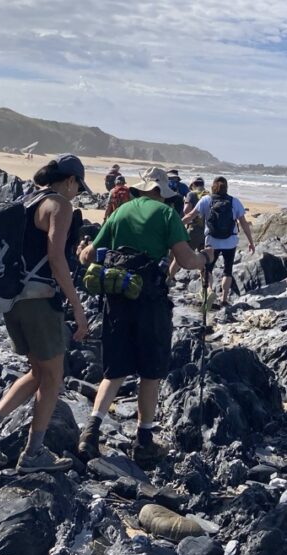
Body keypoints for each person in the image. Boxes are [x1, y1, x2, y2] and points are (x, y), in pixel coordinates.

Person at [77, 167, 214, 469]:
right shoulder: (167, 216)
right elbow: (187, 260)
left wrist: (82, 249)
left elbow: (88, 255)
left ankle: (90, 432)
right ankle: (143, 442)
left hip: (116, 299)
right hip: (150, 302)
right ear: (162, 192)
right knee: (149, 373)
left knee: (114, 370)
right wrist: (206, 258)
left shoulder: (121, 211)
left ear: (142, 189)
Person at [0, 154, 90, 474]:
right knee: (52, 378)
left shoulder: (28, 201)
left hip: (14, 302)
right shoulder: (60, 205)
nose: (77, 193)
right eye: (78, 186)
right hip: (39, 302)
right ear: (70, 181)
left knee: (37, 373)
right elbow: (57, 258)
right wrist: (76, 304)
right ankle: (33, 454)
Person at [183, 175, 255, 307]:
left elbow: (190, 215)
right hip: (230, 241)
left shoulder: (206, 200)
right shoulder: (234, 202)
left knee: (208, 268)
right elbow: (244, 223)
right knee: (228, 270)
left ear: (213, 187)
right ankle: (224, 299)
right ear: (226, 188)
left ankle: (209, 291)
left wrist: (176, 226)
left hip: (212, 241)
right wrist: (251, 242)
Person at [184, 177, 207, 251]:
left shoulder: (191, 194)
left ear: (193, 185)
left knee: (186, 254)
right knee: (202, 256)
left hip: (194, 229)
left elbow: (186, 211)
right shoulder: (209, 194)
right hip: (207, 230)